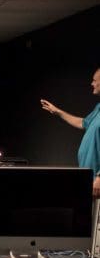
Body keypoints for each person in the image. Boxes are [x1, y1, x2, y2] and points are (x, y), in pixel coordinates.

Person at [41, 67, 100, 197]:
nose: (92, 83)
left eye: (95, 80)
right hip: (88, 176)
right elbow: (82, 123)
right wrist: (57, 112)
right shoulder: (99, 108)